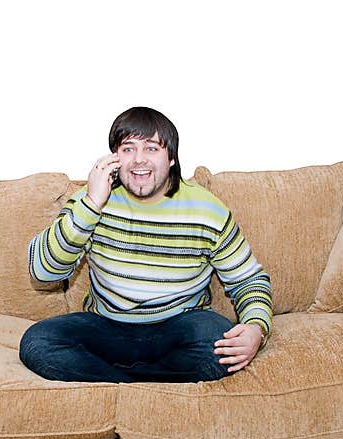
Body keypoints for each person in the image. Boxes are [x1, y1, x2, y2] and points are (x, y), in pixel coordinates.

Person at [20, 106, 273, 383]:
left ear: (172, 158)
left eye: (151, 148)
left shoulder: (206, 209)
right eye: (128, 149)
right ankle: (143, 385)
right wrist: (91, 204)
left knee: (216, 347)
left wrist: (256, 328)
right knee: (37, 343)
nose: (139, 160)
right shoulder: (93, 198)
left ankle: (113, 383)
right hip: (107, 326)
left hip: (180, 325)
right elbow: (43, 274)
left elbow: (249, 280)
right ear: (115, 158)